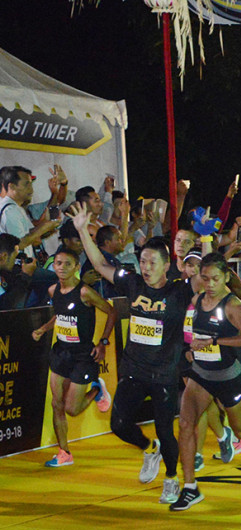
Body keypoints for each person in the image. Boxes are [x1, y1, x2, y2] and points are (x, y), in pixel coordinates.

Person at [70, 203, 198, 499]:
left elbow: (212, 273)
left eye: (153, 263)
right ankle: (147, 448)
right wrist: (81, 231)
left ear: (168, 265)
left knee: (167, 430)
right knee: (118, 423)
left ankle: (170, 478)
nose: (147, 268)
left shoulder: (180, 291)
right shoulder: (133, 282)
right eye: (143, 261)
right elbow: (101, 265)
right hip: (134, 369)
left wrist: (203, 241)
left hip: (165, 372)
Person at [171, 253, 241, 511]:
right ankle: (190, 488)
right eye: (205, 278)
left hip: (228, 376)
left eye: (215, 278)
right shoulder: (196, 301)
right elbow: (191, 329)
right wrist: (190, 348)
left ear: (226, 278)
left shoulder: (232, 306)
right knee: (185, 424)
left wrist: (215, 342)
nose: (209, 283)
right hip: (201, 374)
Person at [30, 247, 116, 467]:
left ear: (77, 267)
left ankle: (97, 389)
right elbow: (60, 316)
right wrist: (43, 328)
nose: (61, 268)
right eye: (58, 263)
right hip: (60, 353)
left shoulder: (85, 292)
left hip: (82, 356)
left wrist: (103, 342)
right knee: (57, 404)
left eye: (67, 264)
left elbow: (111, 312)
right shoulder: (52, 290)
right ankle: (64, 452)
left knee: (72, 409)